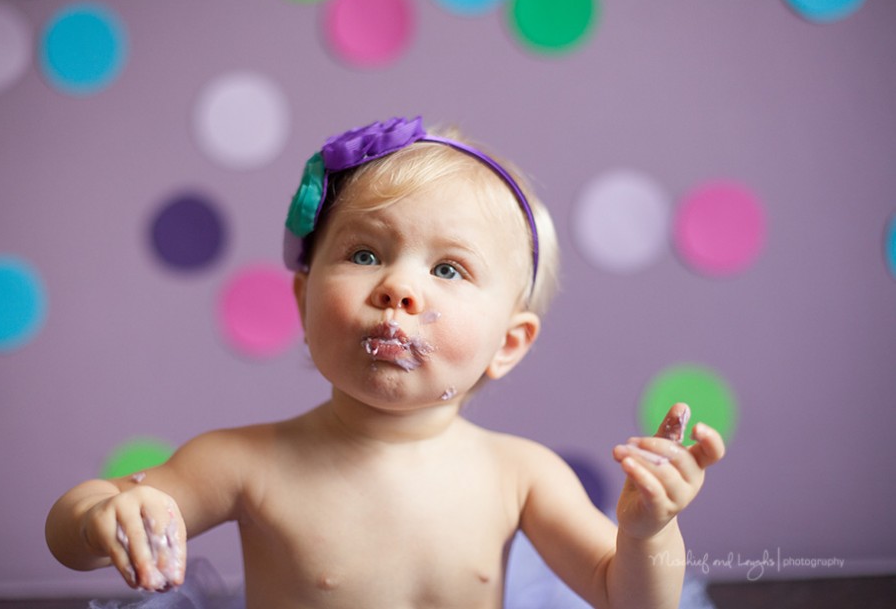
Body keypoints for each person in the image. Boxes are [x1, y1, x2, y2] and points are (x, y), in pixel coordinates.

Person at [46, 116, 726, 609]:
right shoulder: (245, 462)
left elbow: (633, 599)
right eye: (366, 253)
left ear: (508, 344)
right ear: (304, 298)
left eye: (449, 267)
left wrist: (646, 532)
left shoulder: (521, 474)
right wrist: (100, 517)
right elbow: (74, 528)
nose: (400, 287)